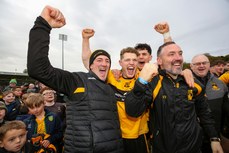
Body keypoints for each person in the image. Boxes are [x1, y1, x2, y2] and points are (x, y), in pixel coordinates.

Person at [27, 5, 123, 153]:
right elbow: (38, 68)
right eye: (99, 60)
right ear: (90, 66)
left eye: (107, 61)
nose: (104, 63)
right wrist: (43, 25)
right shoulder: (76, 80)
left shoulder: (113, 88)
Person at [125, 41, 223, 153]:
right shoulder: (153, 83)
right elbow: (133, 111)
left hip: (194, 148)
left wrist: (214, 138)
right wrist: (141, 82)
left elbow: (204, 112)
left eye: (180, 53)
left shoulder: (193, 83)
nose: (178, 58)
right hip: (163, 149)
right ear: (159, 61)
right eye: (171, 54)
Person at [190, 54, 229, 153]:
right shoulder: (184, 84)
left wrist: (224, 132)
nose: (201, 65)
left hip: (215, 136)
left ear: (209, 65)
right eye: (197, 64)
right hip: (191, 137)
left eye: (204, 63)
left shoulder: (221, 84)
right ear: (191, 66)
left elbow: (226, 110)